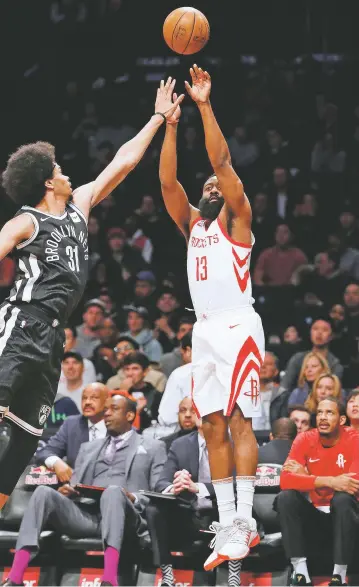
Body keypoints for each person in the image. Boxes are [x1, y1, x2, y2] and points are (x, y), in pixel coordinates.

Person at [0, 79, 184, 508]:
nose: (66, 173)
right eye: (59, 170)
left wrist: (158, 118)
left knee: (22, 447)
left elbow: (122, 163)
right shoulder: (25, 222)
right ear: (47, 183)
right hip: (20, 326)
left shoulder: (79, 205)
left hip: (51, 340)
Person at [159, 67, 265, 569]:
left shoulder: (239, 221)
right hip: (203, 330)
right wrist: (171, 125)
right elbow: (166, 181)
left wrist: (202, 106)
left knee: (241, 422)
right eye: (206, 184)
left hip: (237, 323)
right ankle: (226, 523)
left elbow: (220, 159)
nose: (210, 185)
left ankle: (246, 520)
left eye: (217, 184)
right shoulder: (192, 225)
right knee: (211, 426)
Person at [1, 395, 167, 587]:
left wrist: (134, 497)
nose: (107, 414)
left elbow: (159, 490)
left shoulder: (153, 446)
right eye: (106, 410)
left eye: (113, 409)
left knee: (113, 492)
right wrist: (70, 490)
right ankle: (15, 577)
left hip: (127, 517)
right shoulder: (89, 447)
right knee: (43, 493)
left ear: (130, 415)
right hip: (88, 515)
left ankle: (109, 579)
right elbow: (77, 482)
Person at [148, 416, 242, 587]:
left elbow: (240, 484)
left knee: (238, 508)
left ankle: (233, 578)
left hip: (221, 514)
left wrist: (198, 487)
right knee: (154, 508)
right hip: (189, 516)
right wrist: (175, 487)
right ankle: (167, 575)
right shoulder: (180, 444)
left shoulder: (235, 443)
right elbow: (161, 482)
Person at [277, 397, 359, 586]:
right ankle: (300, 574)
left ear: (342, 420)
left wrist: (306, 476)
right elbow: (285, 480)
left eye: (329, 413)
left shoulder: (354, 439)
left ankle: (339, 575)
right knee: (286, 497)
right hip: (315, 515)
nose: (322, 417)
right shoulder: (304, 438)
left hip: (348, 517)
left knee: (343, 499)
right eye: (320, 412)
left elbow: (351, 484)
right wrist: (329, 480)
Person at [36, 383, 108, 478]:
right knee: (43, 491)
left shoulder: (118, 426)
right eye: (84, 398)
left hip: (107, 486)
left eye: (94, 398)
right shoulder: (72, 424)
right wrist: (56, 462)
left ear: (107, 402)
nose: (87, 402)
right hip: (74, 487)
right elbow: (46, 452)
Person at [281, 319, 343, 395]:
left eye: (325, 330)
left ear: (331, 336)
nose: (319, 333)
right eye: (315, 329)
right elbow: (284, 386)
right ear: (310, 332)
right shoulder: (298, 358)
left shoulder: (335, 364)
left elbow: (335, 392)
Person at [158, 332, 192, 429]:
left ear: (188, 350)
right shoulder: (228, 371)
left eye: (182, 354)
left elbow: (167, 417)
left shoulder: (181, 374)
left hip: (189, 435)